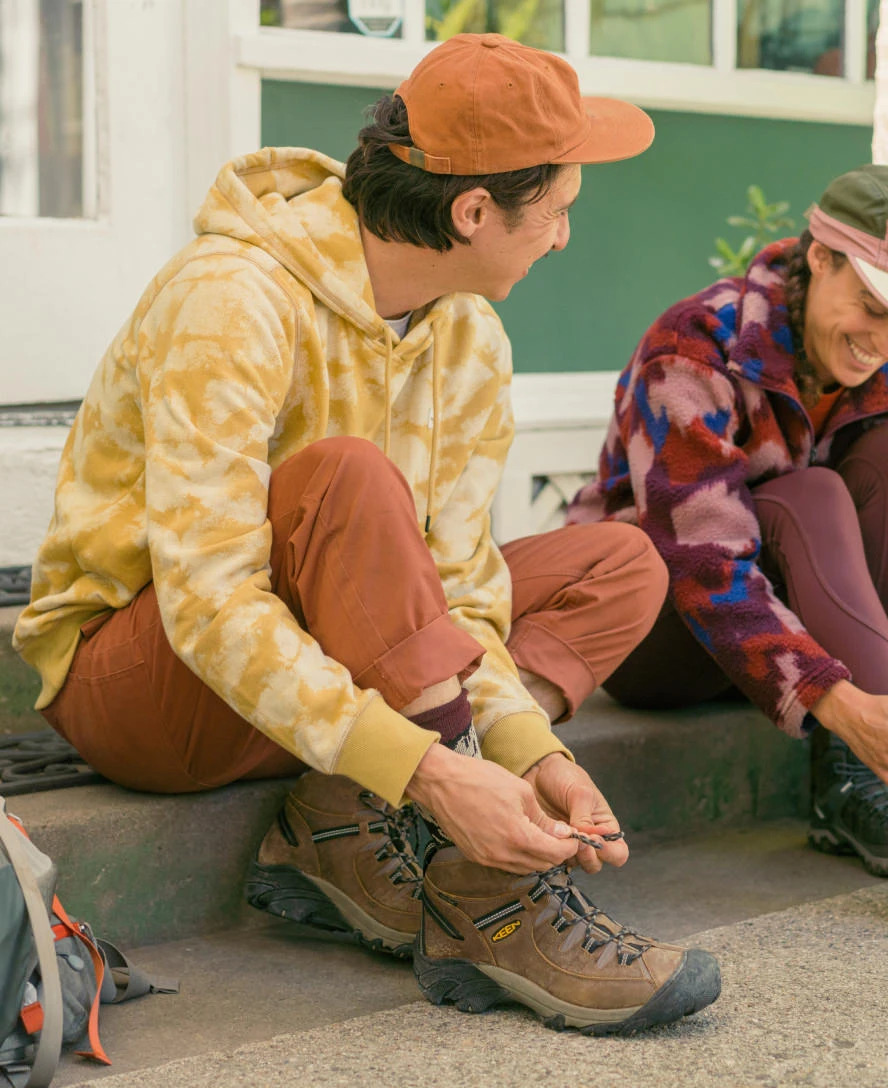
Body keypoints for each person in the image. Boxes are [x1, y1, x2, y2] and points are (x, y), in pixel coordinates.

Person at [14, 33, 721, 1034]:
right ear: (473, 211)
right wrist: (436, 775)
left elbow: (462, 587)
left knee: (620, 562)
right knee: (347, 479)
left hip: (318, 669)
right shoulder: (231, 297)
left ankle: (345, 812)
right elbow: (209, 602)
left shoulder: (468, 333)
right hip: (144, 679)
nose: (565, 237)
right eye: (557, 210)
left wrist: (526, 752)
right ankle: (489, 899)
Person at [569, 165, 888, 880]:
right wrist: (849, 709)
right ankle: (866, 754)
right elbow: (703, 565)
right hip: (653, 634)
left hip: (798, 638)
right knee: (810, 496)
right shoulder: (692, 346)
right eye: (872, 305)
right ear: (820, 257)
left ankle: (849, 781)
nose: (881, 339)